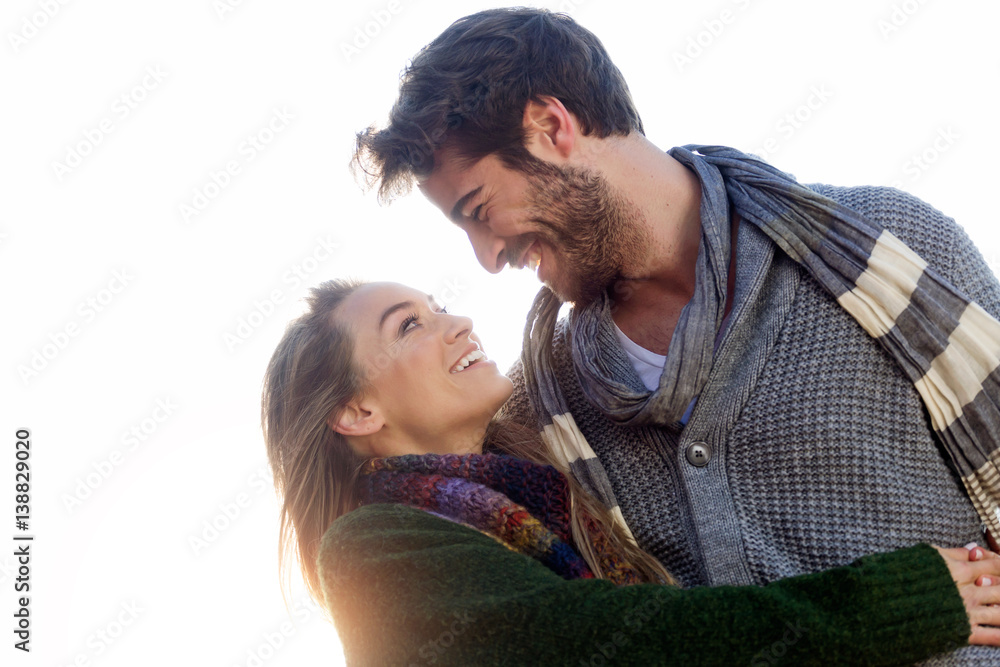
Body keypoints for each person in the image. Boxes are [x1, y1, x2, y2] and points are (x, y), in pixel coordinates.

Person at [352, 8, 1000, 663]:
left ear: (550, 127)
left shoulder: (892, 248)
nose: (487, 257)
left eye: (478, 210)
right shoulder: (540, 409)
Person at [263, 279, 1000, 666]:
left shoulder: (543, 496)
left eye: (440, 306)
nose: (458, 324)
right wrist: (884, 604)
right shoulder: (369, 549)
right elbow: (612, 642)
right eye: (410, 325)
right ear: (356, 410)